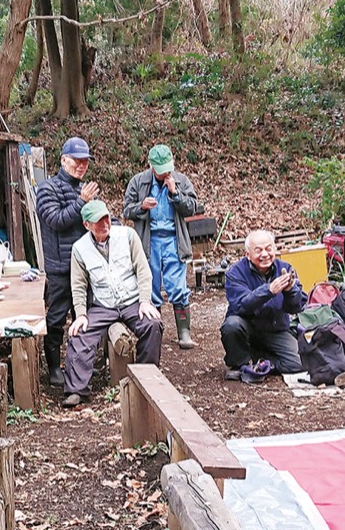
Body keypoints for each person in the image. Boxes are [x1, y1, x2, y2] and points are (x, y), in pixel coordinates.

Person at [63, 200, 163, 407]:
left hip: (132, 300)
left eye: (106, 218)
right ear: (86, 225)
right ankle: (76, 390)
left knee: (152, 325)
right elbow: (78, 285)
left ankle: (147, 378)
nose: (104, 224)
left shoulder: (127, 235)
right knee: (80, 334)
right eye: (98, 221)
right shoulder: (79, 248)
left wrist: (145, 301)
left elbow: (143, 270)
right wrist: (81, 314)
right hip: (103, 305)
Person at [36, 137, 100, 387]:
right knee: (57, 319)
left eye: (85, 162)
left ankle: (79, 364)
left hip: (85, 265)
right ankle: (54, 368)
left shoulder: (84, 189)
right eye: (76, 161)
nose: (81, 166)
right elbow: (56, 220)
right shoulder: (47, 189)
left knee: (83, 315)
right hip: (61, 267)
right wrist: (82, 202)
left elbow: (95, 221)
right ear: (63, 160)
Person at [122, 144, 199, 349]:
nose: (165, 172)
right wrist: (141, 206)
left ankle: (184, 333)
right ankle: (154, 332)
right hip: (149, 240)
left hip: (174, 239)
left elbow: (192, 208)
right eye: (161, 168)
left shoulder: (181, 180)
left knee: (178, 286)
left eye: (168, 167)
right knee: (151, 286)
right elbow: (126, 211)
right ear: (151, 165)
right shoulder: (138, 182)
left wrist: (175, 194)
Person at [220, 230, 307, 380]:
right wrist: (269, 290)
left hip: (275, 328)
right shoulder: (235, 273)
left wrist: (290, 291)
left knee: (298, 363)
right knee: (231, 325)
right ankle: (239, 364)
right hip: (248, 328)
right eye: (258, 250)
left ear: (274, 249)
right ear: (247, 254)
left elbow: (297, 307)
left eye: (268, 249)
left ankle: (259, 361)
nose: (265, 254)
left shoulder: (285, 268)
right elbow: (241, 305)